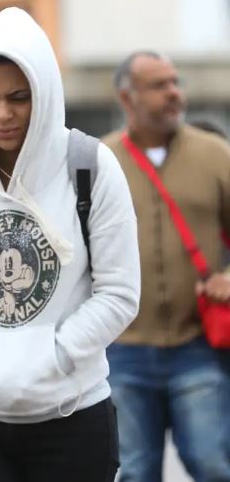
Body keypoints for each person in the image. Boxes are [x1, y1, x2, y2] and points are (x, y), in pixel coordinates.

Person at [0, 7, 140, 481]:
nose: (2, 114)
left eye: (19, 97)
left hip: (73, 415)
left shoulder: (90, 165)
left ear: (46, 91)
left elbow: (119, 292)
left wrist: (53, 354)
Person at [102, 51, 230, 481]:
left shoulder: (216, 155)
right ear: (127, 97)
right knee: (134, 472)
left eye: (176, 82)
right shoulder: (99, 162)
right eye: (159, 85)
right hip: (122, 352)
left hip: (198, 347)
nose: (174, 92)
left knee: (213, 465)